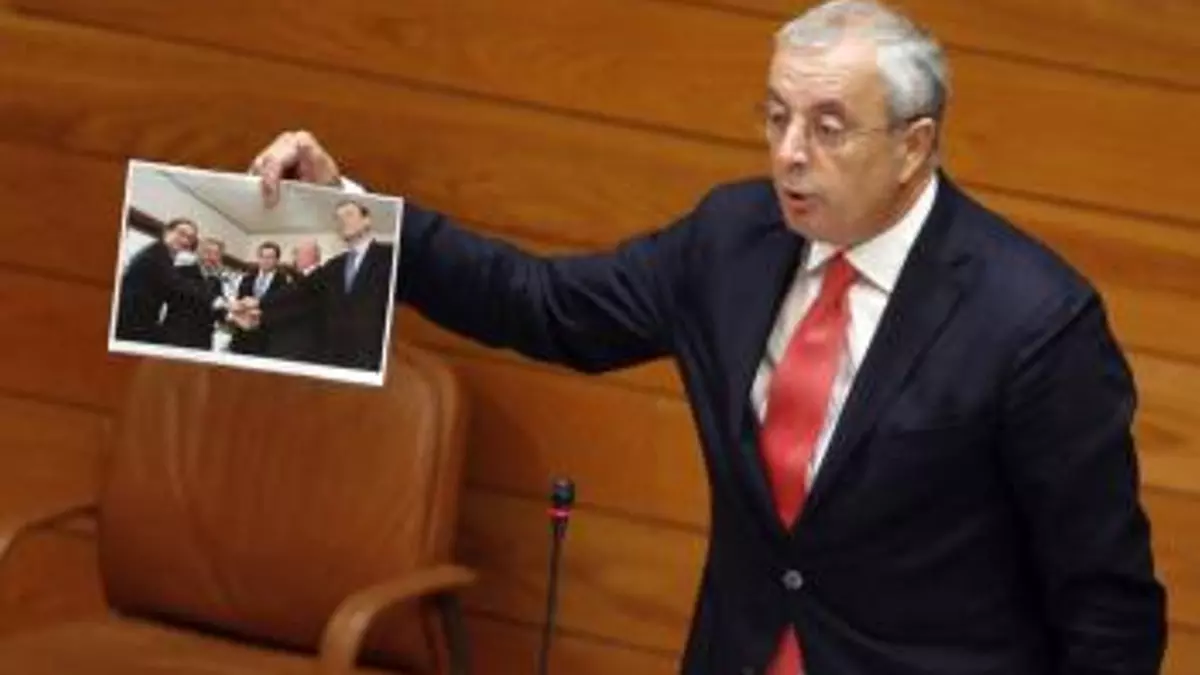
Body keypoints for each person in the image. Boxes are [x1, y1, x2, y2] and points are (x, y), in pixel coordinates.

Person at [245, 1, 1167, 673]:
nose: (789, 152)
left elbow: (1107, 605)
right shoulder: (732, 240)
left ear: (914, 147)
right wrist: (357, 222)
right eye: (777, 116)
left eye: (829, 127)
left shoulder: (1033, 320)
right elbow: (541, 302)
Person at [238, 201, 394, 372]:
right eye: (338, 218)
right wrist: (258, 303)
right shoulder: (334, 265)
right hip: (335, 360)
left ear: (367, 220)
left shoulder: (391, 256)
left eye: (349, 214)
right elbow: (300, 290)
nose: (342, 221)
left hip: (374, 360)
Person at [114, 217, 221, 345]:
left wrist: (226, 312)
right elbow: (178, 287)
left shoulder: (215, 280)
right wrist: (219, 301)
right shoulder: (159, 256)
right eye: (181, 233)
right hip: (132, 326)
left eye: (190, 238)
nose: (185, 240)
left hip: (201, 338)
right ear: (167, 232)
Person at [161, 236, 226, 350]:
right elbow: (193, 295)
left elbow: (217, 311)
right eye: (207, 252)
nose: (211, 257)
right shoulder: (182, 271)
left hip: (203, 341)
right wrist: (220, 303)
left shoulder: (216, 282)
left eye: (216, 254)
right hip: (177, 337)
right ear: (198, 253)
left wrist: (230, 315)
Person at [229, 241, 288, 356]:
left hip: (266, 340)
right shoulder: (247, 278)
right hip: (242, 336)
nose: (265, 260)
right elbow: (239, 301)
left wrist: (259, 314)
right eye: (262, 257)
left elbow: (280, 309)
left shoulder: (284, 282)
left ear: (277, 260)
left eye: (270, 257)